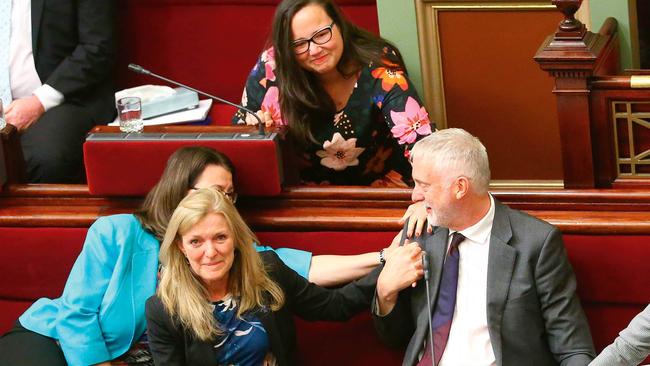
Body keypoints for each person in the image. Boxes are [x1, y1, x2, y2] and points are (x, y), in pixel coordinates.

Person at [0, 146, 392, 366]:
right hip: (55, 342)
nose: (222, 202)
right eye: (213, 191)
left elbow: (305, 268)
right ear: (179, 190)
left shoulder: (223, 250)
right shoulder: (116, 232)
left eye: (229, 194)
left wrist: (384, 257)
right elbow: (76, 313)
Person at [373, 128, 595, 366]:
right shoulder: (421, 231)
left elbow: (573, 348)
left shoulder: (536, 243)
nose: (414, 196)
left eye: (423, 185)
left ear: (460, 187)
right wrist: (385, 293)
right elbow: (394, 338)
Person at [146, 187, 378, 365]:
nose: (210, 252)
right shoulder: (163, 309)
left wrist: (386, 270)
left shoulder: (269, 271)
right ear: (181, 247)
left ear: (235, 239)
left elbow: (335, 306)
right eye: (196, 241)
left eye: (220, 238)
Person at [232, 0, 433, 187]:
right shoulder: (271, 68)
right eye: (299, 44)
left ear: (339, 24)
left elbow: (422, 143)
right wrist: (256, 130)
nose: (314, 50)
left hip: (381, 186)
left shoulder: (379, 66)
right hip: (299, 193)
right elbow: (238, 140)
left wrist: (424, 195)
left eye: (321, 34)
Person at [0, 0, 115, 183]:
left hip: (63, 98)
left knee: (43, 158)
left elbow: (96, 48)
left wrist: (39, 102)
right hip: (4, 105)